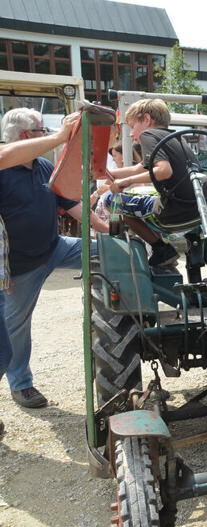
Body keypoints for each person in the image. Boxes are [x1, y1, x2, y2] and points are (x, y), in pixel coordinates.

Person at [0, 109, 106, 413]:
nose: (47, 135)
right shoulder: (2, 171)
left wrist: (107, 230)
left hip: (55, 247)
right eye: (41, 130)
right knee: (15, 327)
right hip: (18, 267)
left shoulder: (44, 167)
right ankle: (20, 384)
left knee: (106, 253)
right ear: (24, 136)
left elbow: (73, 205)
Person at [106, 98, 207, 268]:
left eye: (132, 127)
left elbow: (163, 171)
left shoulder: (149, 135)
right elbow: (138, 169)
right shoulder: (174, 137)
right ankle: (162, 248)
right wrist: (107, 174)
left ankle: (161, 250)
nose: (131, 134)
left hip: (174, 210)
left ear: (147, 119)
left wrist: (126, 182)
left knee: (113, 201)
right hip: (198, 205)